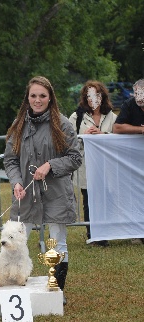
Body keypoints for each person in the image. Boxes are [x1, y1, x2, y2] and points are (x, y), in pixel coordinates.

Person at [4, 76, 82, 304]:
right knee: (17, 240)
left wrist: (50, 165)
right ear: (27, 98)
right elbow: (10, 160)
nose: (37, 100)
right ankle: (13, 286)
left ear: (50, 98)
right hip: (26, 194)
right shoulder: (18, 125)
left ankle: (56, 289)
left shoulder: (63, 124)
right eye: (33, 96)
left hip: (56, 192)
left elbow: (75, 157)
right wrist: (16, 181)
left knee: (58, 242)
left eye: (42, 96)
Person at [69, 80, 117, 247]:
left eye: (97, 94)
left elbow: (118, 140)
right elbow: (69, 141)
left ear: (102, 96)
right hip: (86, 166)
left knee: (107, 199)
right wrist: (84, 137)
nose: (93, 98)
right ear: (85, 97)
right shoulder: (76, 117)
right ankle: (93, 235)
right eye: (89, 95)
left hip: (107, 167)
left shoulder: (112, 116)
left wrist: (102, 134)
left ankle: (106, 232)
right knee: (88, 200)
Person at [113, 78, 144, 244]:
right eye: (138, 98)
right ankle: (136, 232)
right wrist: (141, 130)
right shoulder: (129, 104)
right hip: (133, 159)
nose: (141, 103)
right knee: (134, 194)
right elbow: (117, 128)